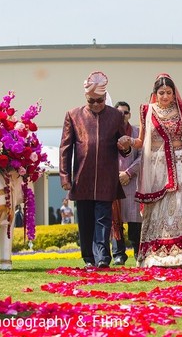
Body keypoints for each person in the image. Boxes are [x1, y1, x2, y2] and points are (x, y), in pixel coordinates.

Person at [120, 73, 182, 269]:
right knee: (159, 208)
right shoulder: (147, 111)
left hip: (180, 163)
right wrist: (129, 141)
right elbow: (140, 141)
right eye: (161, 93)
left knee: (180, 206)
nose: (165, 96)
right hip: (156, 167)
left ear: (175, 94)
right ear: (155, 94)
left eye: (168, 93)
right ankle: (155, 255)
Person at [59, 71, 130, 268]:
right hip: (82, 177)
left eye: (100, 101)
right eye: (92, 101)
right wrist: (65, 176)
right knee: (86, 220)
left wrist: (126, 146)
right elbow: (65, 147)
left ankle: (102, 258)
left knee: (103, 219)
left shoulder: (116, 116)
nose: (96, 105)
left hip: (107, 178)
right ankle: (88, 258)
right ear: (86, 97)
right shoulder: (73, 115)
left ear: (105, 98)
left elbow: (124, 147)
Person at [111, 101, 143, 265]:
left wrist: (128, 173)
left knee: (135, 219)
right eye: (119, 112)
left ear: (130, 115)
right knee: (115, 219)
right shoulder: (109, 133)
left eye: (126, 112)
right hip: (113, 182)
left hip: (133, 182)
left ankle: (139, 253)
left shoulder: (138, 133)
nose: (122, 115)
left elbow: (143, 157)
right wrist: (115, 174)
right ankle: (118, 254)